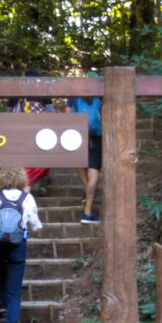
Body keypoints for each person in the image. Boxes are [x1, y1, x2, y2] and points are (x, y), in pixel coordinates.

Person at [0, 167, 43, 323]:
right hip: (18, 247)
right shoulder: (27, 199)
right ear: (21, 180)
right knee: (15, 293)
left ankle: (2, 308)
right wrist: (37, 227)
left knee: (1, 271)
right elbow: (35, 225)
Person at [7, 69, 53, 193]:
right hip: (33, 133)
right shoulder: (43, 96)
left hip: (27, 133)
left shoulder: (16, 96)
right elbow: (51, 115)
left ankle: (29, 187)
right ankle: (30, 187)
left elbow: (7, 115)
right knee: (35, 159)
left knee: (33, 160)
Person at [66, 77, 102, 224]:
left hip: (77, 136)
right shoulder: (100, 95)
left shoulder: (73, 95)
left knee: (80, 164)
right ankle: (87, 212)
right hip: (95, 137)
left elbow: (67, 115)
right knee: (93, 172)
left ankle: (87, 192)